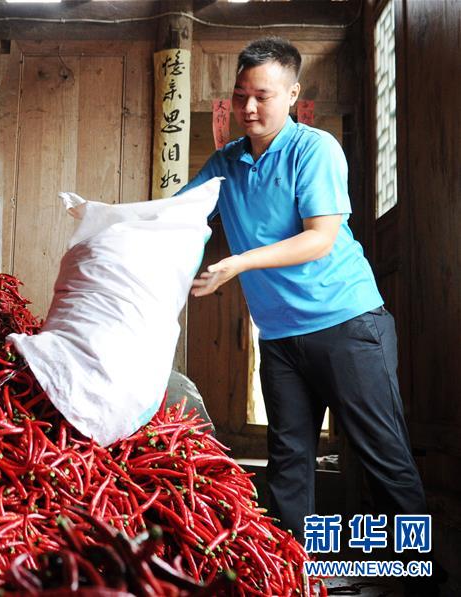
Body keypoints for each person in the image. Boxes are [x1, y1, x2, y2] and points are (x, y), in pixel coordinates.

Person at [178, 37, 445, 593]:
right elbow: (177, 217)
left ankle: (421, 578)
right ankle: (292, 575)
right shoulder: (226, 163)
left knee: (383, 455)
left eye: (263, 95)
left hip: (347, 324)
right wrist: (110, 223)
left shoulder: (314, 148)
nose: (249, 107)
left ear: (292, 94)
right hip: (280, 337)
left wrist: (238, 263)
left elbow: (319, 238)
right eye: (240, 95)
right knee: (288, 460)